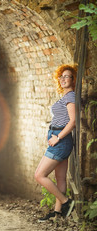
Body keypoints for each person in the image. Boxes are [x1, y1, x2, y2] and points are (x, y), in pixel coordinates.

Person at [35, 64, 77, 222]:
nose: (64, 79)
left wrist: (57, 137)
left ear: (73, 80)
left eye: (68, 76)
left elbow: (72, 122)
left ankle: (66, 202)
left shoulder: (71, 96)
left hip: (61, 139)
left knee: (39, 175)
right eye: (62, 76)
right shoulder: (65, 96)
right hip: (58, 138)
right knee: (60, 178)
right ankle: (58, 213)